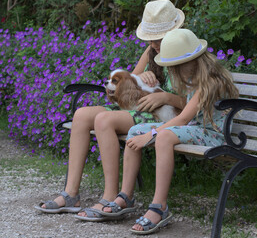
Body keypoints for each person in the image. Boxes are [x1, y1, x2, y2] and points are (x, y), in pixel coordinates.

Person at [34, 0, 186, 221]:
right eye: (151, 38)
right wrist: (142, 76)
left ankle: (111, 196)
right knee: (82, 114)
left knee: (104, 120)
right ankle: (70, 194)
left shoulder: (186, 50)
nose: (153, 43)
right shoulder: (152, 50)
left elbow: (194, 102)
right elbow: (130, 81)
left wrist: (165, 96)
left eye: (158, 38)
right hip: (140, 106)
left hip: (161, 113)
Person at [99, 29, 239, 234]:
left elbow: (183, 118)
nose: (171, 72)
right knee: (136, 130)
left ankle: (159, 206)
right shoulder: (191, 77)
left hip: (213, 135)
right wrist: (145, 132)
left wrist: (151, 135)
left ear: (189, 63)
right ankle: (126, 195)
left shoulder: (209, 82)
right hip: (194, 129)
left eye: (174, 67)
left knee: (163, 136)